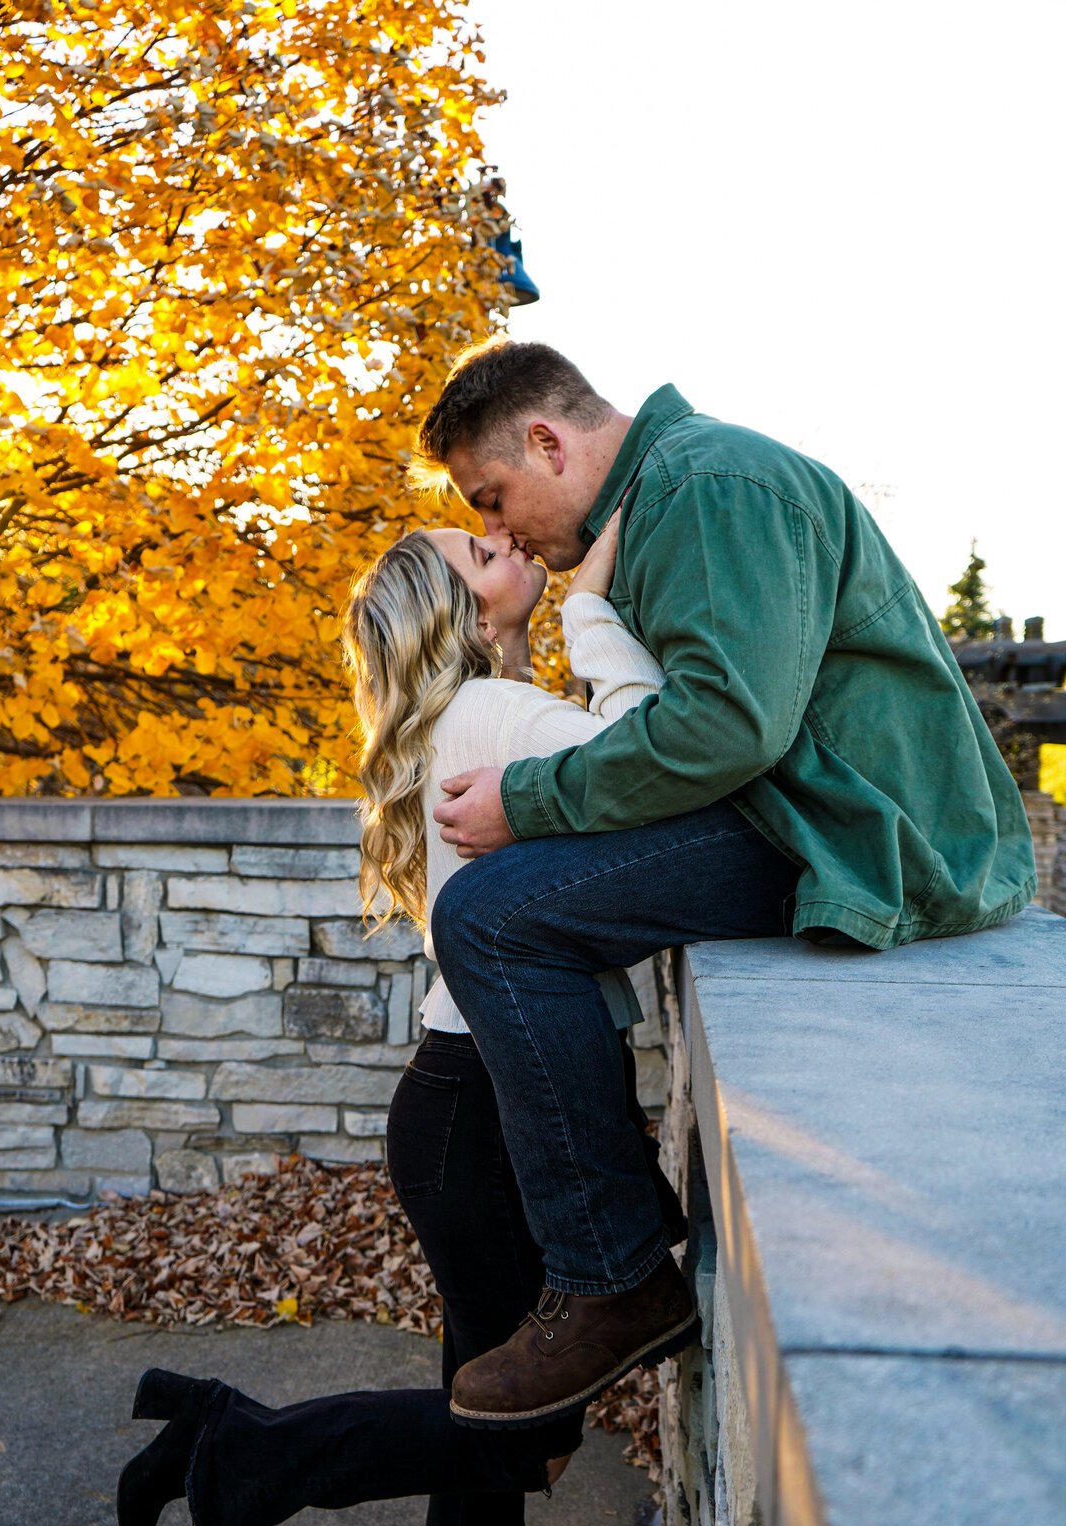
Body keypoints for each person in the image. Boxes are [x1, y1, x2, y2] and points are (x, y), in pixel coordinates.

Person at [117, 514, 693, 1526]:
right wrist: (597, 606)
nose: (503, 537)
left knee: (491, 1413)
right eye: (478, 547)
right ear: (457, 606)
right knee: (516, 1430)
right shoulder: (488, 715)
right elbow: (656, 757)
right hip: (480, 1120)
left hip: (467, 1107)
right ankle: (235, 1448)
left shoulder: (482, 708)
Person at [414, 337, 1037, 1431]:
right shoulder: (668, 500)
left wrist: (530, 801)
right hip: (793, 812)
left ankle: (614, 1279)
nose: (500, 531)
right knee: (506, 906)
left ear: (549, 442)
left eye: (495, 498)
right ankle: (612, 1249)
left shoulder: (711, 487)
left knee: (493, 916)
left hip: (860, 836)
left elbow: (722, 728)